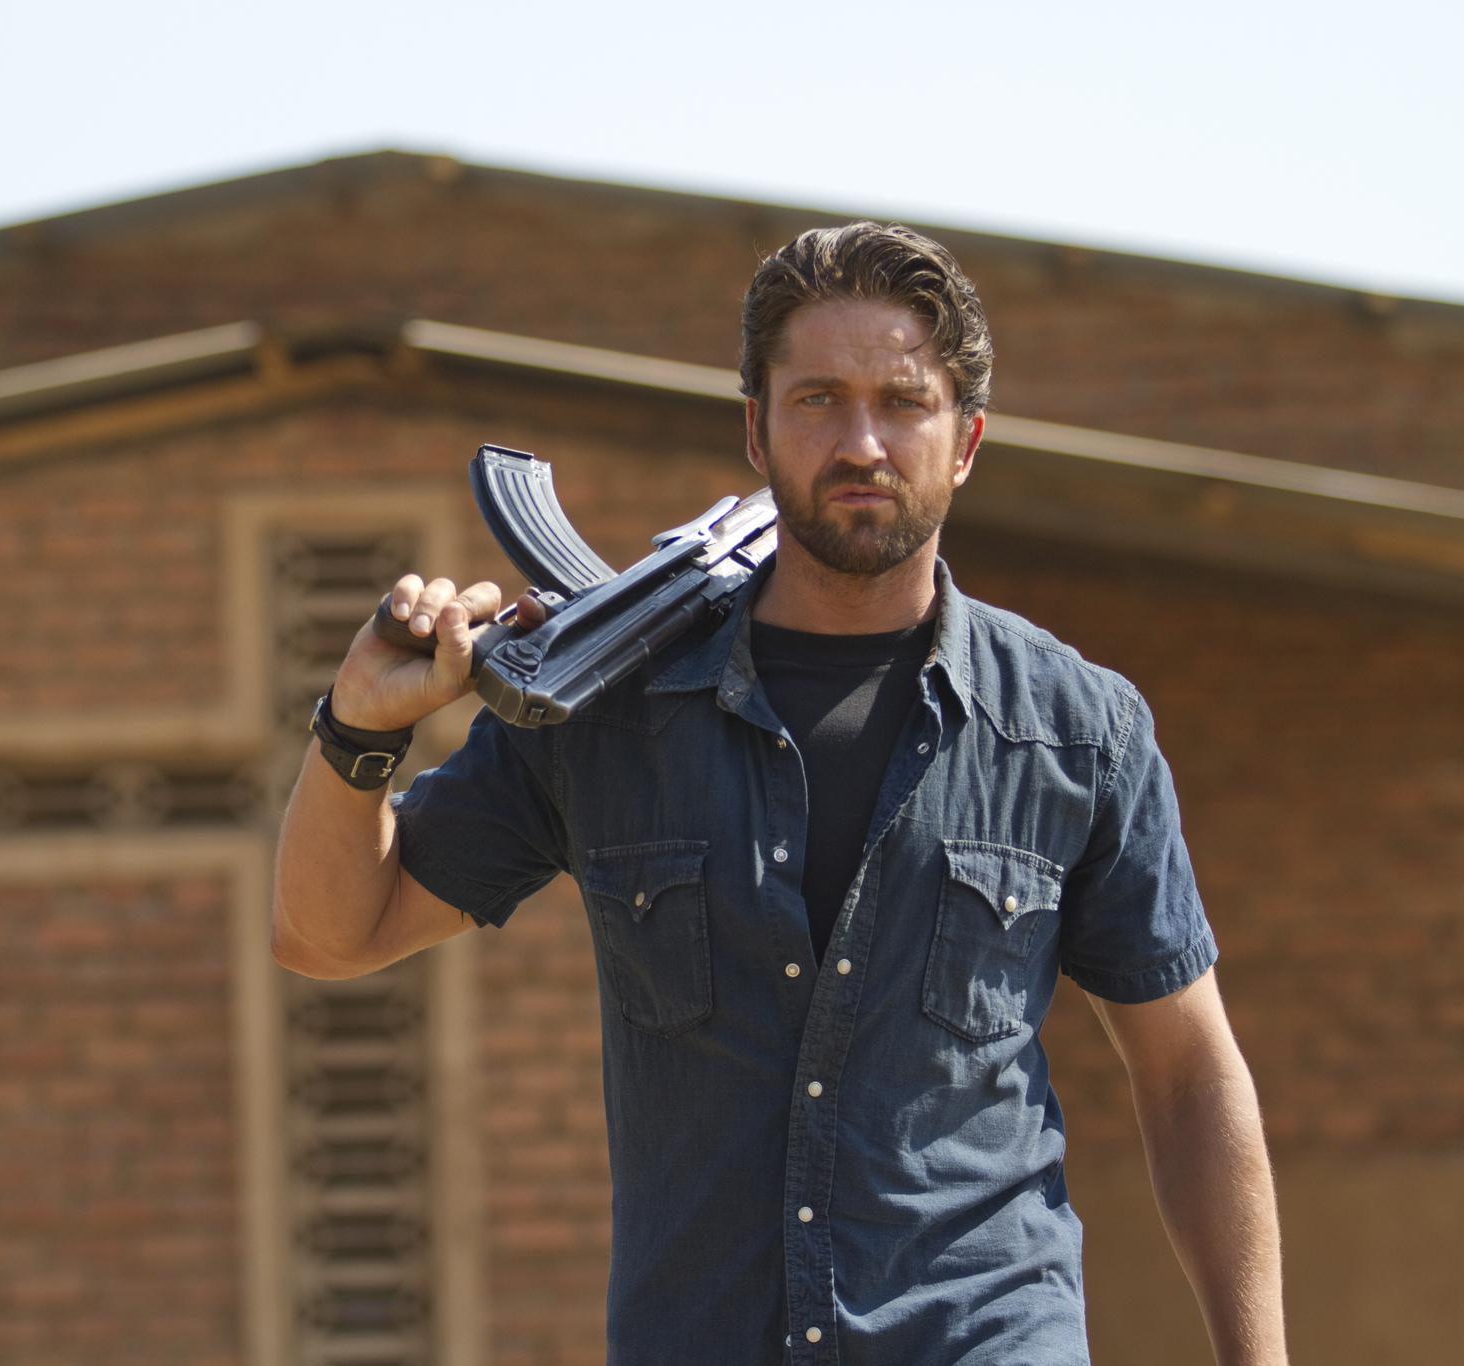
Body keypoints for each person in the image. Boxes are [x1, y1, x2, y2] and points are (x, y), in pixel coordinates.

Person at [273, 222, 1287, 1365]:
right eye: (816, 400)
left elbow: (1188, 1070)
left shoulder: (1072, 729)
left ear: (964, 442)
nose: (860, 440)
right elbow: (328, 934)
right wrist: (356, 729)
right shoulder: (606, 708)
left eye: (901, 402)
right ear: (755, 430)